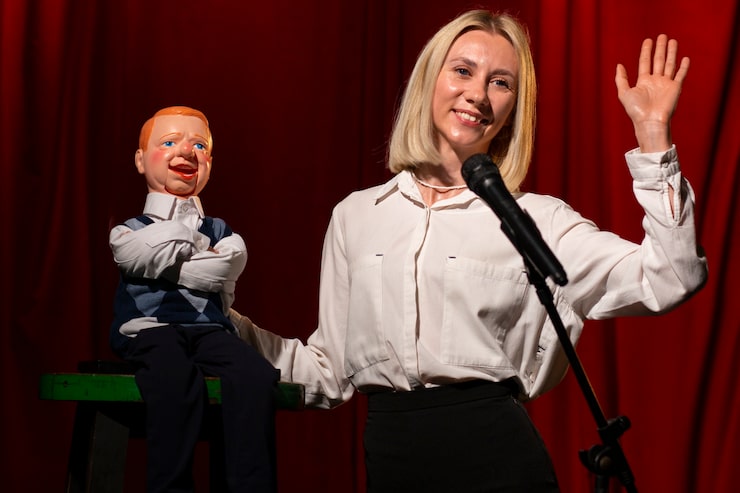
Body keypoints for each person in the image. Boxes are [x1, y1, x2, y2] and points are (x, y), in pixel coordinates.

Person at [230, 10, 708, 493]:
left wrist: (653, 135)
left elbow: (671, 277)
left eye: (500, 82)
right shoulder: (357, 215)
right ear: (428, 80)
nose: (478, 94)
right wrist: (215, 321)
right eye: (463, 70)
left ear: (513, 108)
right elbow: (329, 373)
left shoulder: (537, 221)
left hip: (500, 462)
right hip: (391, 465)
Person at [109, 106, 279, 493]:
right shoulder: (127, 231)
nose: (186, 151)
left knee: (255, 376)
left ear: (210, 162)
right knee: (172, 379)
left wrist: (165, 259)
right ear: (141, 160)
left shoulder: (222, 231)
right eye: (170, 142)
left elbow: (221, 270)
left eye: (199, 145)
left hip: (209, 331)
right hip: (150, 330)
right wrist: (195, 241)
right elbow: (135, 253)